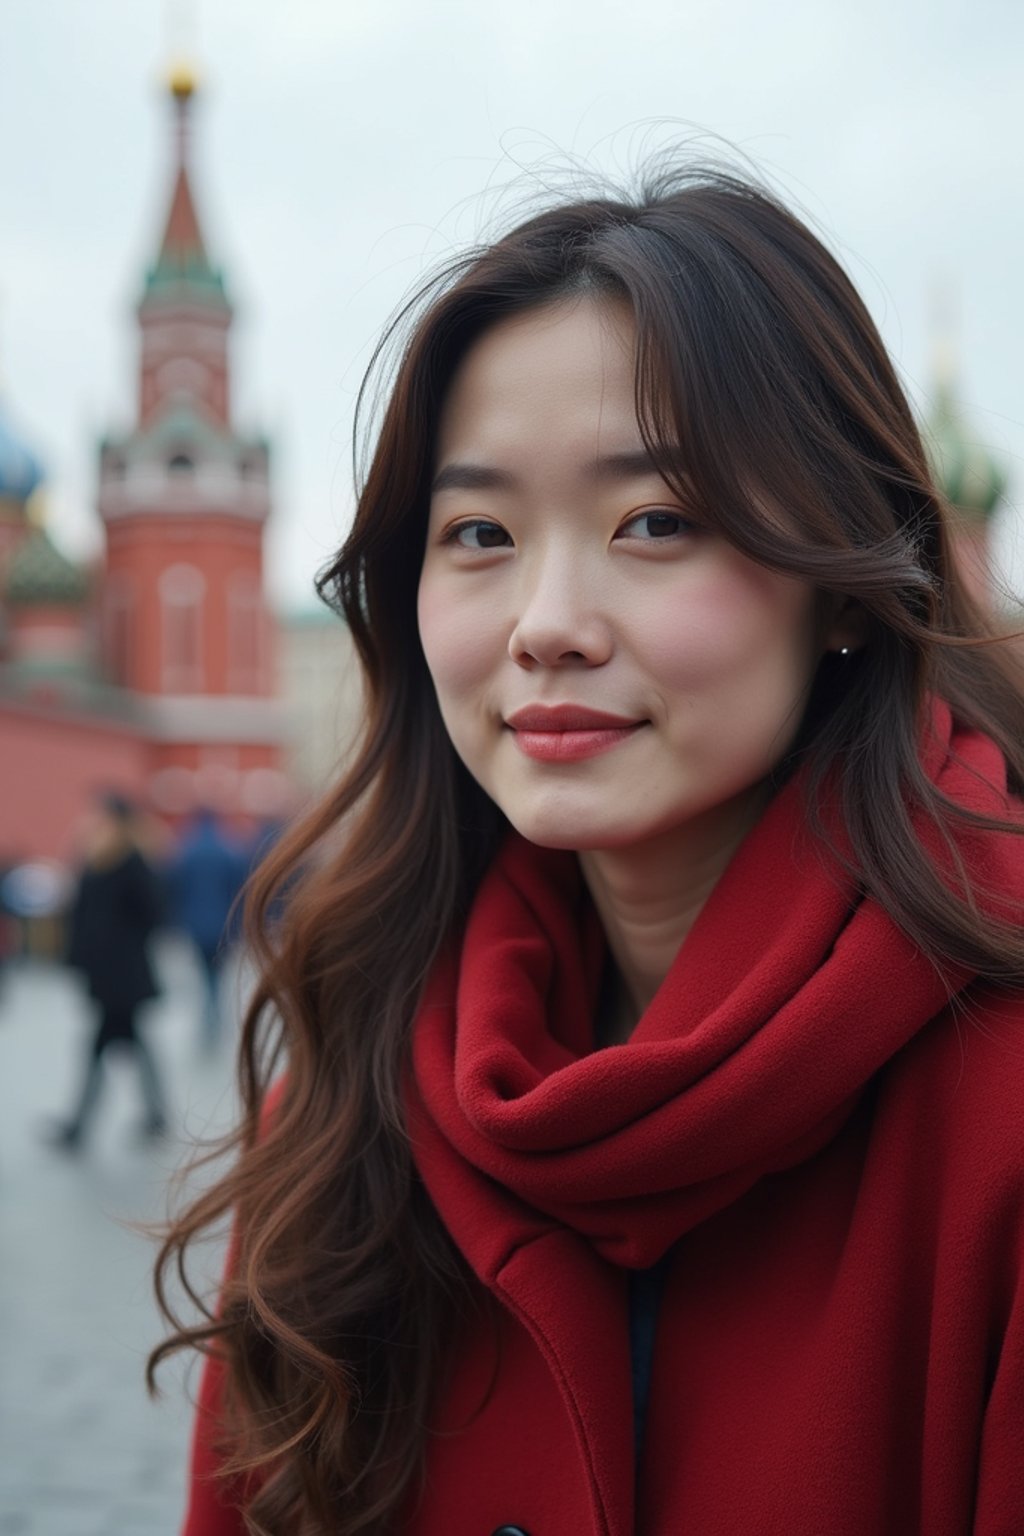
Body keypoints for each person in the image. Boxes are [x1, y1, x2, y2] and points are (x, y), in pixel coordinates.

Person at [150, 168, 1024, 1535]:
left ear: (846, 588)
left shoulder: (1000, 1113)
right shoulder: (354, 1089)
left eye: (656, 522)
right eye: (480, 533)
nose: (545, 622)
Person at [48, 791, 167, 1149]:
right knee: (130, 1044)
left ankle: (79, 1125)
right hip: (105, 975)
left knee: (100, 1046)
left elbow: (154, 914)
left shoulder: (132, 863)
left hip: (123, 975)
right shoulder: (94, 858)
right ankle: (154, 1115)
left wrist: (115, 941)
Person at [167, 806, 248, 1051]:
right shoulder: (228, 849)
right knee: (217, 976)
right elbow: (239, 892)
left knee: (204, 976)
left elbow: (174, 888)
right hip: (223, 925)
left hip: (195, 925)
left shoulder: (187, 850)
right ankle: (215, 1020)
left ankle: (208, 1022)